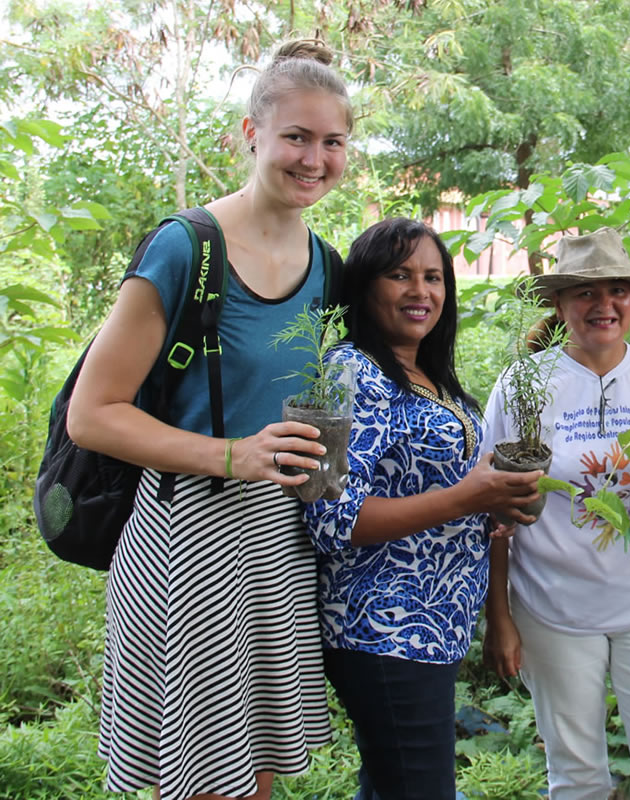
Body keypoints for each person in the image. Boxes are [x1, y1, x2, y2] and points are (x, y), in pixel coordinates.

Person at [67, 39, 352, 800]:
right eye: (296, 136)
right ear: (251, 133)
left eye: (332, 141)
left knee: (255, 774)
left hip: (280, 541)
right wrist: (233, 455)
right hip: (188, 536)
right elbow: (92, 415)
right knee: (201, 778)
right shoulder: (186, 248)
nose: (314, 159)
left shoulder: (327, 266)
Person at [303, 218, 542, 800]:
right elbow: (329, 515)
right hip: (382, 627)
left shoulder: (433, 377)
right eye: (400, 275)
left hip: (435, 625)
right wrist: (470, 496)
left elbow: (454, 494)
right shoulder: (346, 371)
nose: (421, 291)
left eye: (433, 277)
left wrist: (500, 502)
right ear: (364, 285)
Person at [482, 227, 630, 800]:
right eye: (585, 292)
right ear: (559, 304)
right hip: (551, 608)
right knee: (576, 777)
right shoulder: (522, 385)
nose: (604, 305)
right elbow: (494, 511)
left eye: (617, 291)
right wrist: (499, 615)